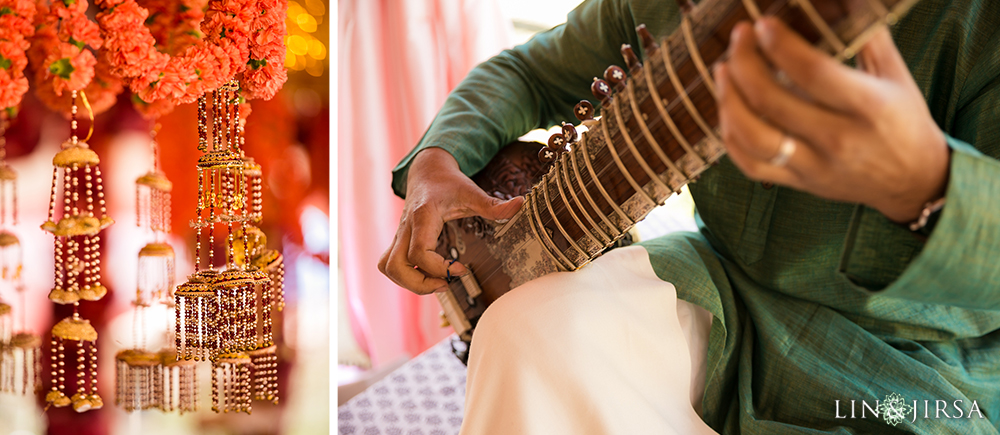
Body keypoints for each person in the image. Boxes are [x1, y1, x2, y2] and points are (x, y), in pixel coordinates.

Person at [379, 0, 1000, 433]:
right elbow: (529, 72)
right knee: (524, 332)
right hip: (730, 295)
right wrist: (436, 160)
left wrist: (928, 182)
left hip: (922, 365)